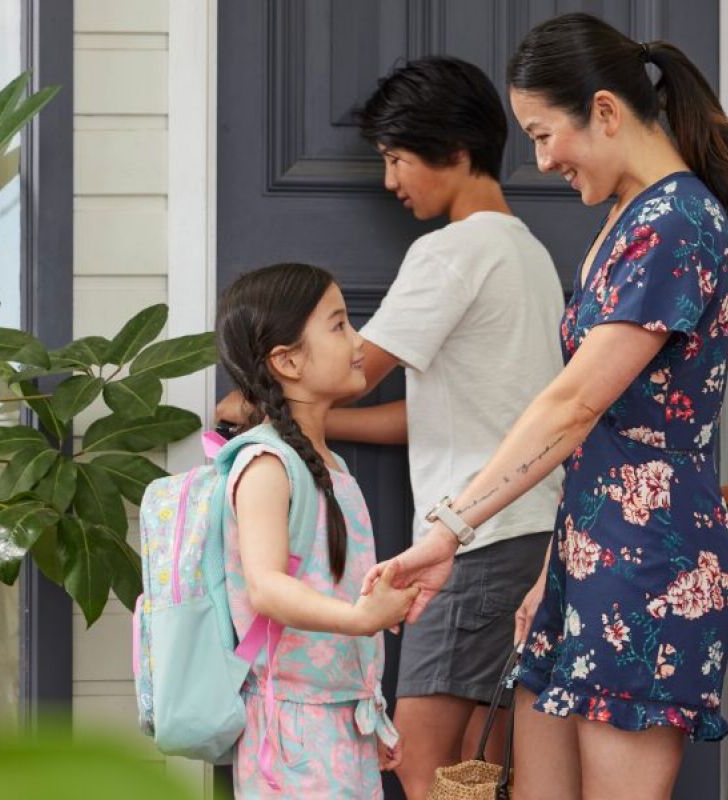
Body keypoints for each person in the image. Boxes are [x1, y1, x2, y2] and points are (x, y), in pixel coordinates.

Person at [362, 13, 728, 800]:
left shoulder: (675, 221)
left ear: (604, 111)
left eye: (545, 134)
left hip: (648, 560)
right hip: (583, 554)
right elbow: (592, 432)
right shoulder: (626, 217)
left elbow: (574, 404)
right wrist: (550, 567)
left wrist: (448, 530)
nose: (540, 161)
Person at [217, 56, 566, 799]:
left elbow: (354, 369)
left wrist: (260, 406)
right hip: (530, 529)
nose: (389, 179)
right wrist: (318, 427)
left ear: (457, 150)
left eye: (397, 157)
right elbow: (434, 414)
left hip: (474, 539)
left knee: (418, 762)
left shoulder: (451, 252)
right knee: (480, 764)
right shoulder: (527, 253)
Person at [216, 262, 419, 798]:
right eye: (339, 325)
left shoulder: (331, 468)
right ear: (287, 360)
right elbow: (266, 586)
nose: (358, 340)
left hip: (337, 725)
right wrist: (357, 618)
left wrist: (365, 708)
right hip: (292, 739)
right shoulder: (266, 465)